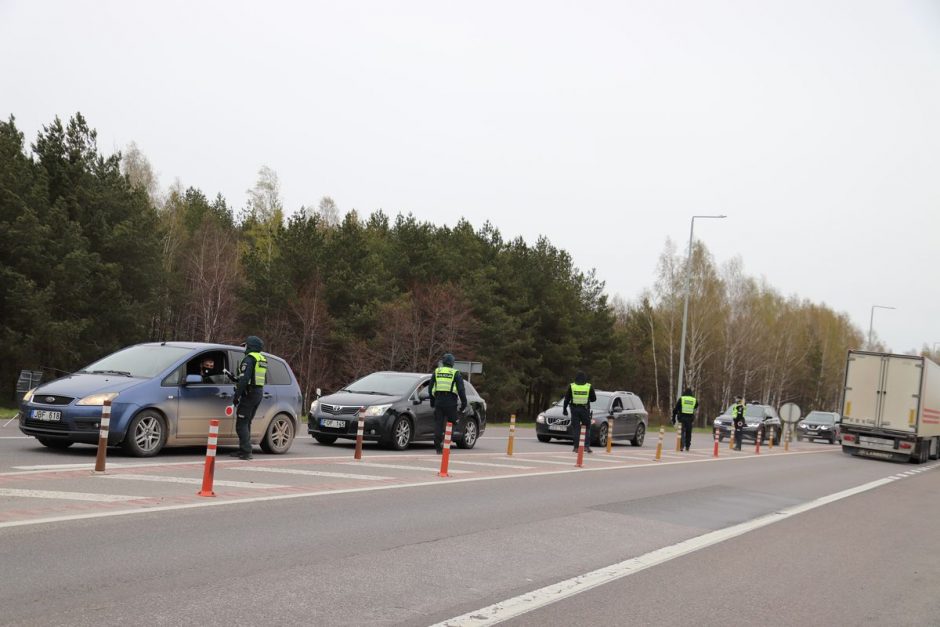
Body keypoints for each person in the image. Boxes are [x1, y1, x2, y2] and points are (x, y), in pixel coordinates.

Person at [231, 336, 268, 460]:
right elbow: (258, 378)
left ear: (250, 346)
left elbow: (245, 379)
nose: (244, 348)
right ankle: (243, 449)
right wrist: (236, 378)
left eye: (245, 345)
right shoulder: (262, 359)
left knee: (241, 423)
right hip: (258, 392)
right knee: (247, 422)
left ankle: (246, 452)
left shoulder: (249, 359)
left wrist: (236, 396)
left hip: (249, 394)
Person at [429, 353, 467, 454]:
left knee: (438, 424)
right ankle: (446, 446)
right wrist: (464, 403)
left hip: (439, 401)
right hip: (450, 402)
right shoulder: (455, 373)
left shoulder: (437, 371)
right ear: (452, 363)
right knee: (452, 423)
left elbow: (430, 388)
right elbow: (461, 390)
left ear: (443, 362)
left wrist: (432, 401)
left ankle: (438, 447)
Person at [563, 371, 596, 453]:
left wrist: (564, 409)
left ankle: (576, 448)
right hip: (585, 410)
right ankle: (586, 446)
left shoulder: (572, 386)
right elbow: (594, 399)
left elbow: (567, 399)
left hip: (574, 409)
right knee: (587, 427)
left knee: (576, 429)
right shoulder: (589, 386)